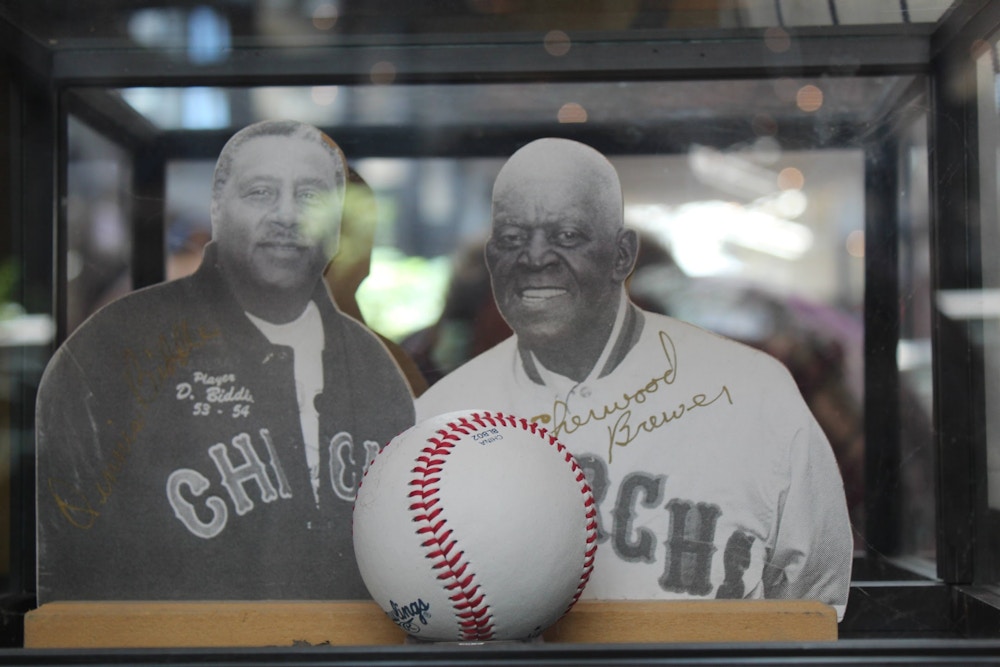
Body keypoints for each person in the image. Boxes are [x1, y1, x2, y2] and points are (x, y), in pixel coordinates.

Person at [415, 137, 853, 619]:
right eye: (514, 239)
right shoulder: (438, 413)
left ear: (622, 257)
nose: (535, 259)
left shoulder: (754, 392)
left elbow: (812, 611)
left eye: (567, 235)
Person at [35, 120, 415, 602]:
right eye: (260, 192)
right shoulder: (109, 351)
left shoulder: (377, 367)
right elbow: (69, 585)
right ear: (217, 209)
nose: (286, 216)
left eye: (311, 197)